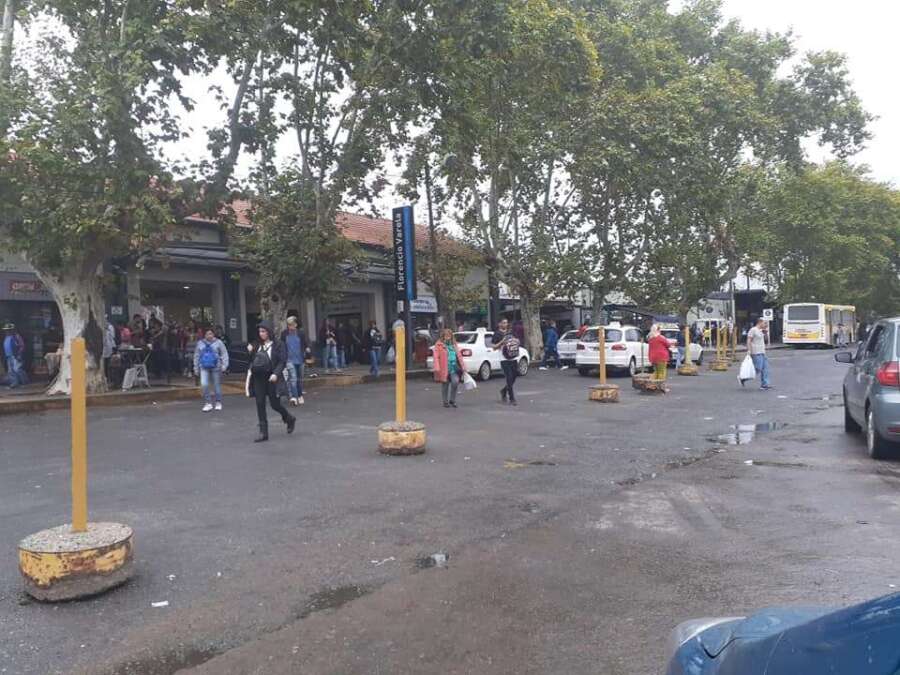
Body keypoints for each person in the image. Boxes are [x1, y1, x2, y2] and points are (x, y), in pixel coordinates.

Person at [245, 321, 295, 442]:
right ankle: (263, 432)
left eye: (263, 331)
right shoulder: (256, 345)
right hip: (258, 377)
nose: (261, 334)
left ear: (269, 332)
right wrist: (250, 352)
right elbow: (252, 361)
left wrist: (276, 374)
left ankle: (289, 418)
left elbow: (282, 361)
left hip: (272, 377)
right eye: (260, 332)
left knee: (275, 404)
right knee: (260, 403)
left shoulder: (279, 344)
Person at [194, 327, 229, 412]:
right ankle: (208, 403)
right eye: (207, 334)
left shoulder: (219, 342)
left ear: (213, 334)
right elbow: (196, 356)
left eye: (210, 333)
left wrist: (224, 366)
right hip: (203, 367)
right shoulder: (200, 343)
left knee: (216, 385)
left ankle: (218, 402)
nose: (209, 336)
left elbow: (224, 353)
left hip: (216, 366)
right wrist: (196, 368)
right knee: (204, 384)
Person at [432, 328, 467, 408]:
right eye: (446, 336)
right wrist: (437, 367)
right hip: (444, 368)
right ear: (443, 336)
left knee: (455, 382)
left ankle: (452, 400)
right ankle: (445, 402)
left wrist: (463, 366)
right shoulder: (439, 344)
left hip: (454, 368)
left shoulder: (454, 344)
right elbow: (436, 356)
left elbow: (459, 356)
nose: (448, 337)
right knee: (445, 384)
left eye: (449, 336)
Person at [491, 317, 520, 406]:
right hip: (504, 358)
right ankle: (512, 398)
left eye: (506, 322)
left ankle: (504, 390)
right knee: (509, 377)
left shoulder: (511, 332)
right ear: (499, 324)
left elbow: (517, 341)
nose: (505, 324)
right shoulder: (497, 334)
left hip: (513, 357)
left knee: (514, 376)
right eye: (503, 323)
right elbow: (494, 347)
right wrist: (502, 342)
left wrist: (517, 341)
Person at [282, 316, 306, 406]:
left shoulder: (301, 333)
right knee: (293, 379)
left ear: (296, 324)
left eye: (291, 324)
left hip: (300, 359)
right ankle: (294, 397)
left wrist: (307, 351)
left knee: (299, 379)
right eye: (288, 325)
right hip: (289, 360)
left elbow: (305, 344)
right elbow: (282, 346)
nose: (290, 326)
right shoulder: (284, 334)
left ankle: (300, 395)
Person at [746, 318, 771, 390]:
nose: (765, 324)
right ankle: (744, 377)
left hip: (762, 351)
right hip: (756, 352)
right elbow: (749, 340)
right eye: (764, 323)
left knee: (765, 369)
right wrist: (749, 350)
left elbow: (765, 341)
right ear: (759, 322)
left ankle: (764, 384)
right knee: (758, 368)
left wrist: (766, 333)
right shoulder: (753, 330)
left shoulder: (762, 331)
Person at [2, 323, 25, 388]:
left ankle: (22, 382)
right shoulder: (6, 337)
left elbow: (22, 346)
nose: (7, 331)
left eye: (9, 330)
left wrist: (19, 354)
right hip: (9, 356)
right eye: (6, 330)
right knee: (11, 371)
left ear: (12, 330)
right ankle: (15, 383)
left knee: (17, 369)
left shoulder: (16, 336)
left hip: (15, 356)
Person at [648, 324, 670, 390]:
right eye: (659, 329)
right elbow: (668, 345)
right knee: (662, 372)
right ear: (658, 330)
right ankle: (661, 387)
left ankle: (652, 385)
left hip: (653, 357)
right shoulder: (661, 338)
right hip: (661, 357)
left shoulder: (650, 338)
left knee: (656, 372)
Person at [102, 318, 116, 383]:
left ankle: (111, 380)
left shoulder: (110, 327)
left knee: (110, 364)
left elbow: (112, 336)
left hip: (110, 348)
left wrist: (107, 329)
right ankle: (105, 378)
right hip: (102, 349)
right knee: (104, 364)